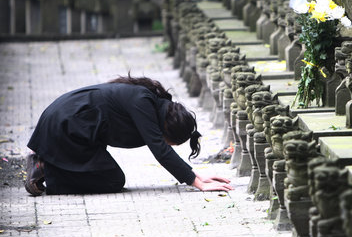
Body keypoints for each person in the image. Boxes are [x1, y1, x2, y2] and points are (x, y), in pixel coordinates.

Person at [24, 74, 233, 196]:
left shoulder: (149, 103)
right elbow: (160, 149)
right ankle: (46, 167)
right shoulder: (143, 102)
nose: (168, 145)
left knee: (110, 177)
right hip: (66, 124)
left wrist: (198, 176)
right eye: (172, 141)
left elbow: (162, 146)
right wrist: (196, 182)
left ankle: (48, 165)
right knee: (113, 181)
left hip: (74, 127)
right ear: (167, 128)